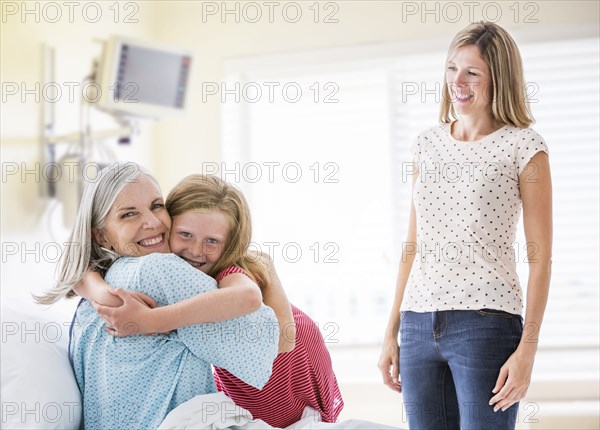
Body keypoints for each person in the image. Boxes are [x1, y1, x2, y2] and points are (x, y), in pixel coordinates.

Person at [378, 21, 552, 429]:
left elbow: (541, 259)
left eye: (472, 72)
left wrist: (527, 350)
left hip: (486, 323)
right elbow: (412, 244)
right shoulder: (427, 143)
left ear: (499, 80)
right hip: (418, 323)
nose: (458, 81)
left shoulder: (524, 146)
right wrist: (391, 331)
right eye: (452, 68)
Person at [82, 174, 344, 427]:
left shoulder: (229, 272)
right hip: (255, 375)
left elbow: (255, 304)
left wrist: (149, 320)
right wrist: (101, 292)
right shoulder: (154, 268)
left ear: (229, 244)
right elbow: (79, 276)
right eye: (185, 234)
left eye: (212, 241)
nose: (196, 250)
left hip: (291, 365)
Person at [36, 163, 279, 430]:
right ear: (102, 236)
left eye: (156, 205)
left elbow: (79, 271)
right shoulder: (158, 269)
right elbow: (270, 341)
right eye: (129, 214)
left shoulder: (108, 278)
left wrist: (129, 307)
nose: (152, 223)